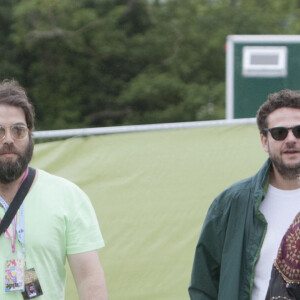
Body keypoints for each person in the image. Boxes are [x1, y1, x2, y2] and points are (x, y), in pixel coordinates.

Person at [0, 79, 109, 299]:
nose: (8, 139)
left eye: (18, 130)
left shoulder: (68, 197)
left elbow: (90, 280)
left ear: (30, 134)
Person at [188, 89, 300, 300]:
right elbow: (203, 286)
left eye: (299, 131)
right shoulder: (231, 204)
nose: (291, 139)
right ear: (264, 141)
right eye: (279, 133)